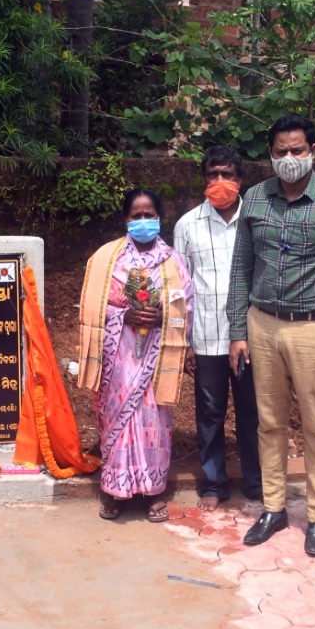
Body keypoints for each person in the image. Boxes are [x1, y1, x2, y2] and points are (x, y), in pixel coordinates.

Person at [226, 114, 315, 554]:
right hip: (262, 324)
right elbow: (241, 268)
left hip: (313, 327)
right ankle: (273, 508)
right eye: (281, 152)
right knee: (267, 423)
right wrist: (237, 329)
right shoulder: (254, 198)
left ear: (313, 150)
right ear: (270, 154)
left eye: (297, 151)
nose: (289, 159)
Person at [78, 188, 193, 521]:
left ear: (160, 218)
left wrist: (162, 317)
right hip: (117, 356)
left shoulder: (173, 262)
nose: (143, 221)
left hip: (156, 357)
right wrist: (122, 316)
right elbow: (90, 310)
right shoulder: (105, 259)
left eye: (149, 215)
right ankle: (114, 490)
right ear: (125, 219)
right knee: (117, 417)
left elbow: (187, 307)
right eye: (136, 216)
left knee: (153, 420)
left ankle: (152, 490)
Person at [173, 145, 262, 511]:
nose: (220, 181)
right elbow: (180, 288)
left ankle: (257, 482)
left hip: (252, 338)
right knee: (209, 413)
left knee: (252, 411)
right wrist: (185, 342)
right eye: (213, 174)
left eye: (228, 174)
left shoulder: (257, 220)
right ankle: (214, 483)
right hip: (206, 336)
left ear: (240, 180)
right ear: (204, 179)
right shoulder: (186, 225)